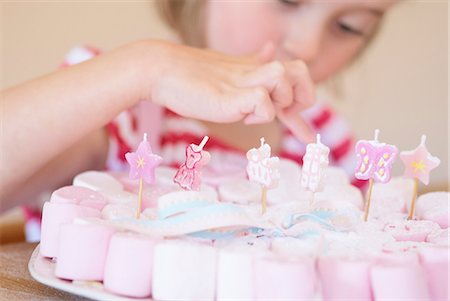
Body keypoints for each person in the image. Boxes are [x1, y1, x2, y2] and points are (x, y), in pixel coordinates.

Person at [1, 0, 397, 214]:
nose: (307, 46)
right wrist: (146, 68)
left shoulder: (327, 142)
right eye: (287, 0)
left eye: (350, 27)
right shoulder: (119, 110)